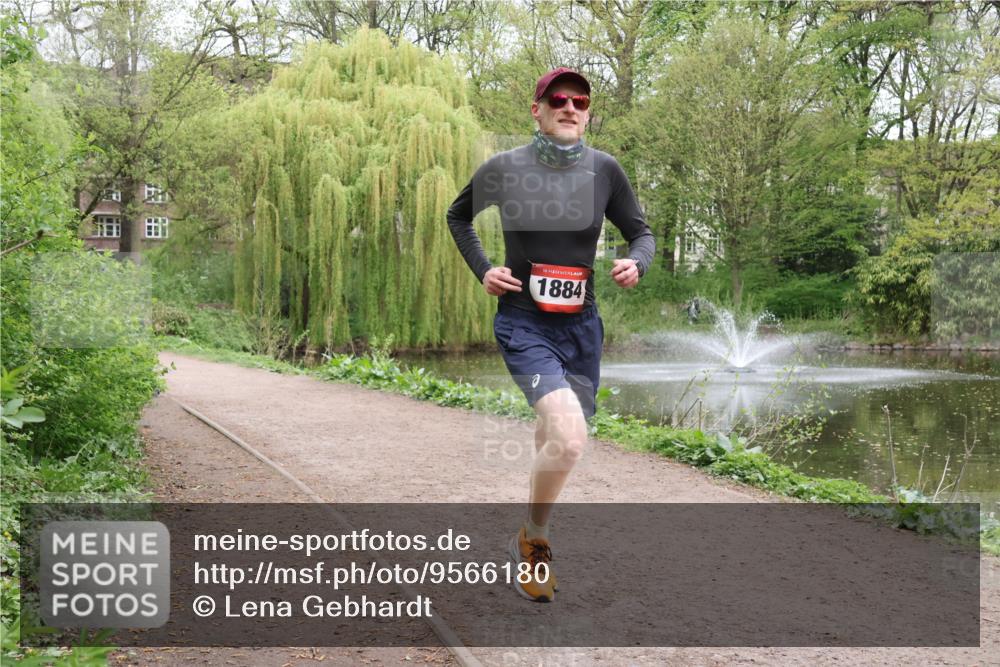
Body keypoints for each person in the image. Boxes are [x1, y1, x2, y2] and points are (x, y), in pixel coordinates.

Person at [446, 67, 655, 602]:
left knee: (553, 435)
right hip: (524, 322)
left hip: (582, 327)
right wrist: (484, 269)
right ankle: (534, 539)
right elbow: (458, 216)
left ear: (587, 114)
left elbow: (641, 233)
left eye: (580, 101)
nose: (569, 107)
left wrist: (636, 262)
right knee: (569, 437)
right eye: (558, 98)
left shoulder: (604, 170)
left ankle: (533, 525)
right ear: (536, 109)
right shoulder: (505, 167)